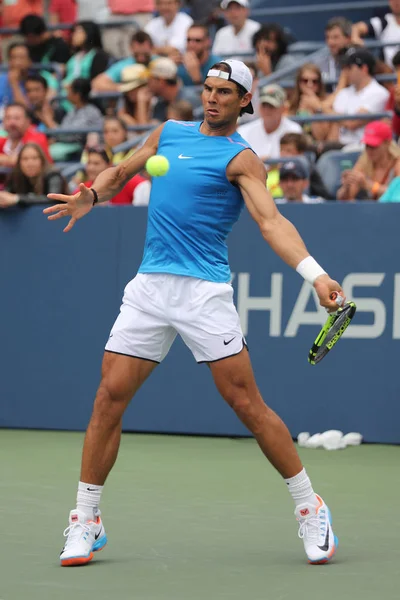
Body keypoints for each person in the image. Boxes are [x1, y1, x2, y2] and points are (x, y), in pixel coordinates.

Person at [44, 58, 342, 568]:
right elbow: (124, 169)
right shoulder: (168, 131)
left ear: (245, 100)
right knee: (108, 398)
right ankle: (86, 519)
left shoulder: (242, 159)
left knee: (247, 404)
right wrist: (93, 194)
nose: (212, 98)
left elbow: (271, 223)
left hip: (204, 293)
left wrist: (314, 274)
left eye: (224, 92)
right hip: (150, 287)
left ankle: (310, 506)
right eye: (207, 89)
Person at [332, 48, 390, 147]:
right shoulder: (344, 92)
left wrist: (324, 110)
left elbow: (352, 123)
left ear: (364, 69)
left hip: (362, 146)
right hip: (340, 144)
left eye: (349, 67)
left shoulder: (379, 93)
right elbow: (334, 124)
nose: (345, 72)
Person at [337, 120, 400, 201]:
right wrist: (347, 187)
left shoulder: (397, 162)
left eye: (373, 146)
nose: (369, 151)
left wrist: (369, 185)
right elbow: (343, 199)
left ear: (387, 143)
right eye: (367, 146)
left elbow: (397, 194)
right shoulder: (364, 161)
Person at [237, 83, 302, 160]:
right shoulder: (244, 131)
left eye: (272, 106)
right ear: (259, 107)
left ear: (284, 108)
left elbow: (295, 163)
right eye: (264, 105)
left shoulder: (294, 130)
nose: (267, 110)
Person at [47, 78, 104, 161]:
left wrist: (48, 120)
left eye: (69, 91)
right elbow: (64, 129)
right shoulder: (73, 110)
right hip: (70, 145)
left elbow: (71, 134)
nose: (67, 94)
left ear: (77, 95)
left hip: (83, 150)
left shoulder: (91, 112)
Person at [0, 143, 66, 208]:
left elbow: (53, 199)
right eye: (25, 159)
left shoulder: (53, 175)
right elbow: (7, 194)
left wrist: (18, 199)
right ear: (19, 163)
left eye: (35, 158)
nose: (30, 164)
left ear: (42, 161)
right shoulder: (16, 176)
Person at [267, 133, 331, 200]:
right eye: (281, 150)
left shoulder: (308, 168)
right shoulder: (275, 167)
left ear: (300, 153)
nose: (283, 154)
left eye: (288, 151)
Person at [78, 147, 149, 205]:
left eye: (96, 163)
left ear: (109, 165)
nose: (90, 168)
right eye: (89, 163)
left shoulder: (134, 183)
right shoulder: (82, 189)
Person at [287, 63, 337, 144]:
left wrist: (314, 108)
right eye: (305, 81)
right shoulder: (290, 103)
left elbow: (320, 137)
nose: (310, 84)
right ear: (299, 83)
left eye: (314, 81)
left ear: (319, 84)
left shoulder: (327, 103)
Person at [0, 42, 58, 111]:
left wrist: (14, 84)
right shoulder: (1, 80)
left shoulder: (36, 82)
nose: (17, 62)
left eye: (21, 58)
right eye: (13, 57)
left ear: (29, 61)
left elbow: (27, 111)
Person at [91, 31, 156, 92]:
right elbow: (97, 83)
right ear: (131, 48)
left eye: (145, 54)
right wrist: (126, 88)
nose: (141, 58)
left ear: (152, 48)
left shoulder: (159, 63)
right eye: (137, 54)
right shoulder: (124, 65)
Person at [147, 57, 202, 122]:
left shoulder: (190, 99)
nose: (147, 83)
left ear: (161, 81)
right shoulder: (160, 102)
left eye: (150, 79)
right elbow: (150, 129)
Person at [351, 0, 400, 67]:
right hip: (389, 72)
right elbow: (356, 28)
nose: (395, 2)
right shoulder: (385, 22)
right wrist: (356, 39)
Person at [62, 22, 111, 86]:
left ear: (88, 33)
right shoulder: (73, 55)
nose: (73, 35)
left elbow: (96, 81)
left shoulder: (99, 55)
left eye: (78, 32)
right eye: (74, 32)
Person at [316, 17, 352, 87]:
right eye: (328, 37)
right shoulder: (318, 64)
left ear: (348, 38)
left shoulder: (357, 64)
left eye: (335, 37)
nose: (330, 42)